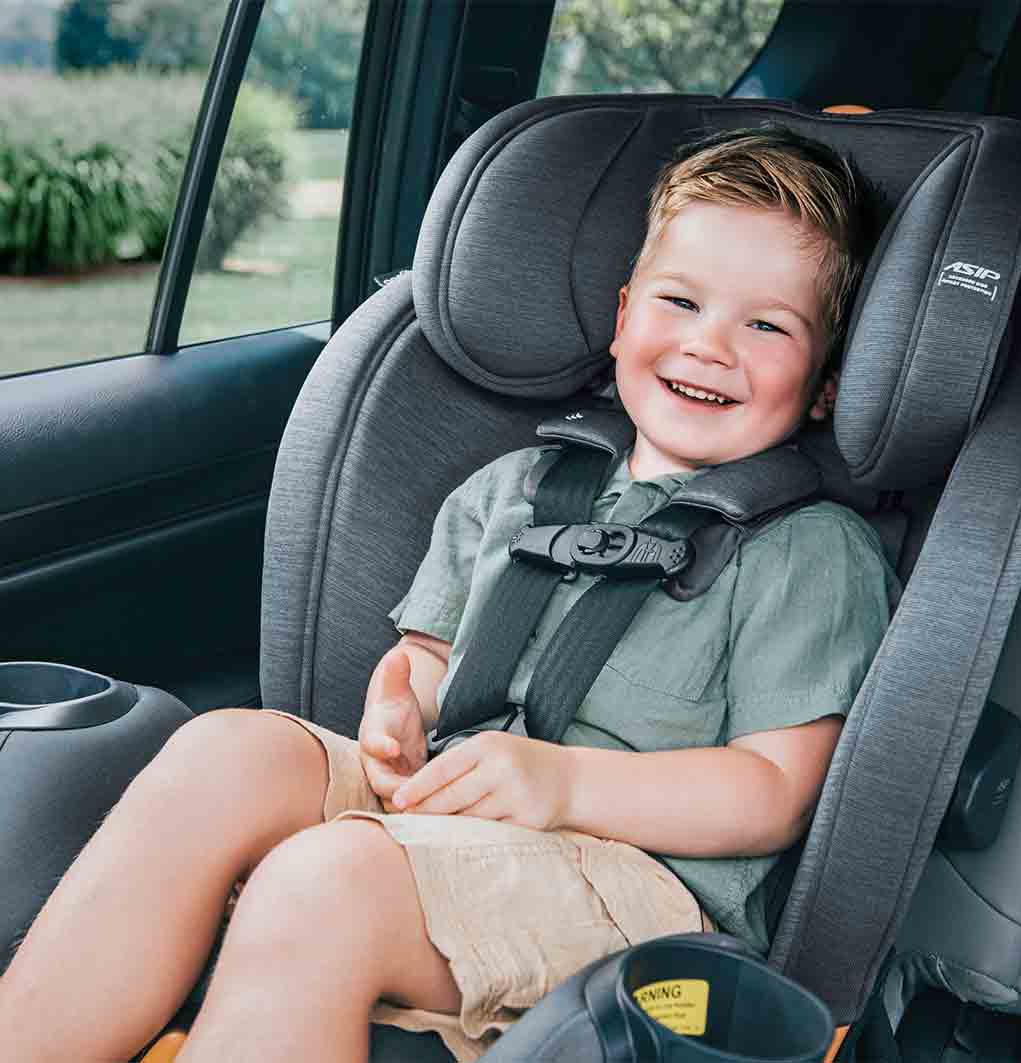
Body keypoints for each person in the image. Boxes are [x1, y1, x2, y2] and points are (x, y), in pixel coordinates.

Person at [0, 126, 895, 1063]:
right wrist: (397, 705)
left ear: (825, 382)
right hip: (457, 823)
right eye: (682, 301)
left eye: (767, 325)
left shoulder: (808, 552)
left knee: (324, 878)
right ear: (626, 315)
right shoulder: (511, 490)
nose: (710, 345)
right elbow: (426, 658)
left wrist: (564, 782)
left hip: (644, 898)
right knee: (230, 747)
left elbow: (774, 793)